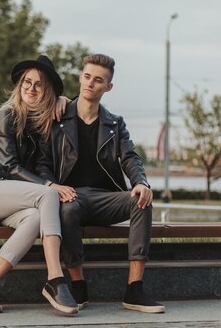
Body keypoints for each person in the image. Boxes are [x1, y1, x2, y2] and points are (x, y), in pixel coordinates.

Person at [37, 53, 165, 313]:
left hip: (105, 198)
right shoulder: (57, 117)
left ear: (108, 87)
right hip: (70, 197)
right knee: (67, 208)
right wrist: (53, 187)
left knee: (141, 200)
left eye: (98, 80)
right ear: (80, 77)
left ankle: (134, 290)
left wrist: (141, 183)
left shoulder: (115, 123)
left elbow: (130, 156)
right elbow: (42, 164)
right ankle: (78, 286)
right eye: (86, 77)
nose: (90, 84)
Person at [0, 55, 78, 315]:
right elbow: (10, 167)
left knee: (34, 218)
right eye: (27, 82)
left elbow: (40, 166)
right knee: (47, 196)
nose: (31, 88)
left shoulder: (41, 124)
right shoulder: (5, 116)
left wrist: (66, 101)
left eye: (39, 85)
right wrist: (50, 185)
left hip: (13, 199)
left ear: (47, 91)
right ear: (19, 87)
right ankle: (55, 278)